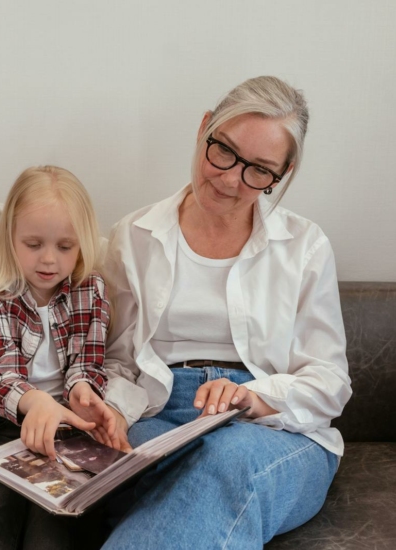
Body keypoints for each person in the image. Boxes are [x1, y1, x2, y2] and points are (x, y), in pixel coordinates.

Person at [98, 76, 352, 549]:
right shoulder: (132, 236)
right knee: (127, 477)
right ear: (203, 129)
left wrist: (253, 396)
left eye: (259, 170)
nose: (231, 179)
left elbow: (330, 382)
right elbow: (117, 360)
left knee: (227, 457)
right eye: (224, 152)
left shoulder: (305, 246)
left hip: (271, 429)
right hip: (160, 415)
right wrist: (109, 407)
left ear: (283, 172)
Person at [0, 166, 120, 550]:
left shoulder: (90, 290)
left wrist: (82, 390)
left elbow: (88, 362)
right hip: (4, 426)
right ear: (11, 238)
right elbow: (0, 378)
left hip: (69, 428)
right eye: (33, 244)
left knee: (54, 527)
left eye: (65, 247)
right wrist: (39, 404)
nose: (49, 260)